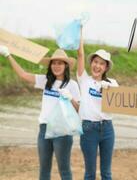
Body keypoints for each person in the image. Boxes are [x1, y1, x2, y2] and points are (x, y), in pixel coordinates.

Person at [0, 46, 80, 180]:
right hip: (44, 130)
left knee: (64, 170)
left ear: (66, 66)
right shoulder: (45, 81)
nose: (56, 66)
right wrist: (8, 55)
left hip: (63, 132)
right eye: (54, 63)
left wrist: (71, 98)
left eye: (60, 63)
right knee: (44, 170)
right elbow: (23, 74)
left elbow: (79, 110)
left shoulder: (72, 85)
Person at [77, 29, 118, 180]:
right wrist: (80, 30)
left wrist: (107, 89)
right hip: (88, 129)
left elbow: (118, 103)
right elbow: (80, 54)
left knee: (106, 173)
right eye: (95, 62)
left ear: (106, 67)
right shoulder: (84, 80)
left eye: (101, 63)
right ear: (91, 63)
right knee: (90, 173)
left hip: (107, 128)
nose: (97, 66)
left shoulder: (112, 83)